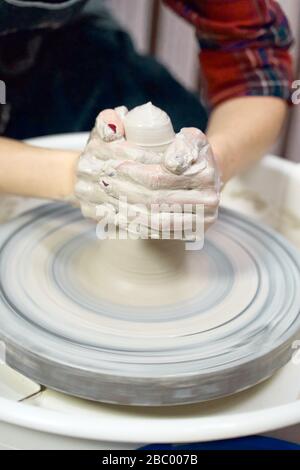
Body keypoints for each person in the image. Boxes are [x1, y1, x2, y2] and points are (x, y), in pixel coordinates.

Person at [0, 0, 293, 231]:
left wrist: (211, 167)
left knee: (177, 130)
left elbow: (255, 65)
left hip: (64, 42)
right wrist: (77, 179)